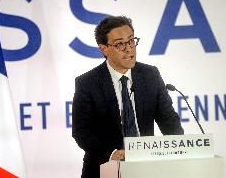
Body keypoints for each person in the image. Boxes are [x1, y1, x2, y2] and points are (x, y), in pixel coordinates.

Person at [72, 15, 184, 178]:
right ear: (104, 49)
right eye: (119, 44)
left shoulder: (150, 75)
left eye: (131, 41)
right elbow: (81, 132)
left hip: (146, 168)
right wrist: (112, 153)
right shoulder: (88, 83)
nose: (128, 48)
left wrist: (178, 148)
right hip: (105, 169)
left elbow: (169, 120)